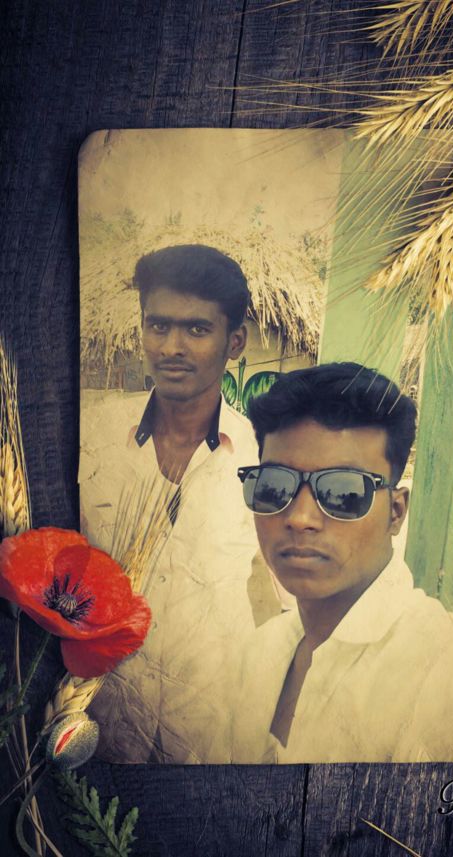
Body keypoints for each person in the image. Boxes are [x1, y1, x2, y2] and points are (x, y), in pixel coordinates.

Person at [230, 362, 453, 763]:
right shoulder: (257, 654)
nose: (299, 518)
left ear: (396, 512)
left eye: (343, 493)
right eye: (274, 487)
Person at [80, 244, 267, 763]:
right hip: (102, 722)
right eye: (158, 326)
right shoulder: (92, 440)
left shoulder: (262, 455)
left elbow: (294, 596)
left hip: (213, 728)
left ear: (234, 342)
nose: (171, 347)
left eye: (197, 330)